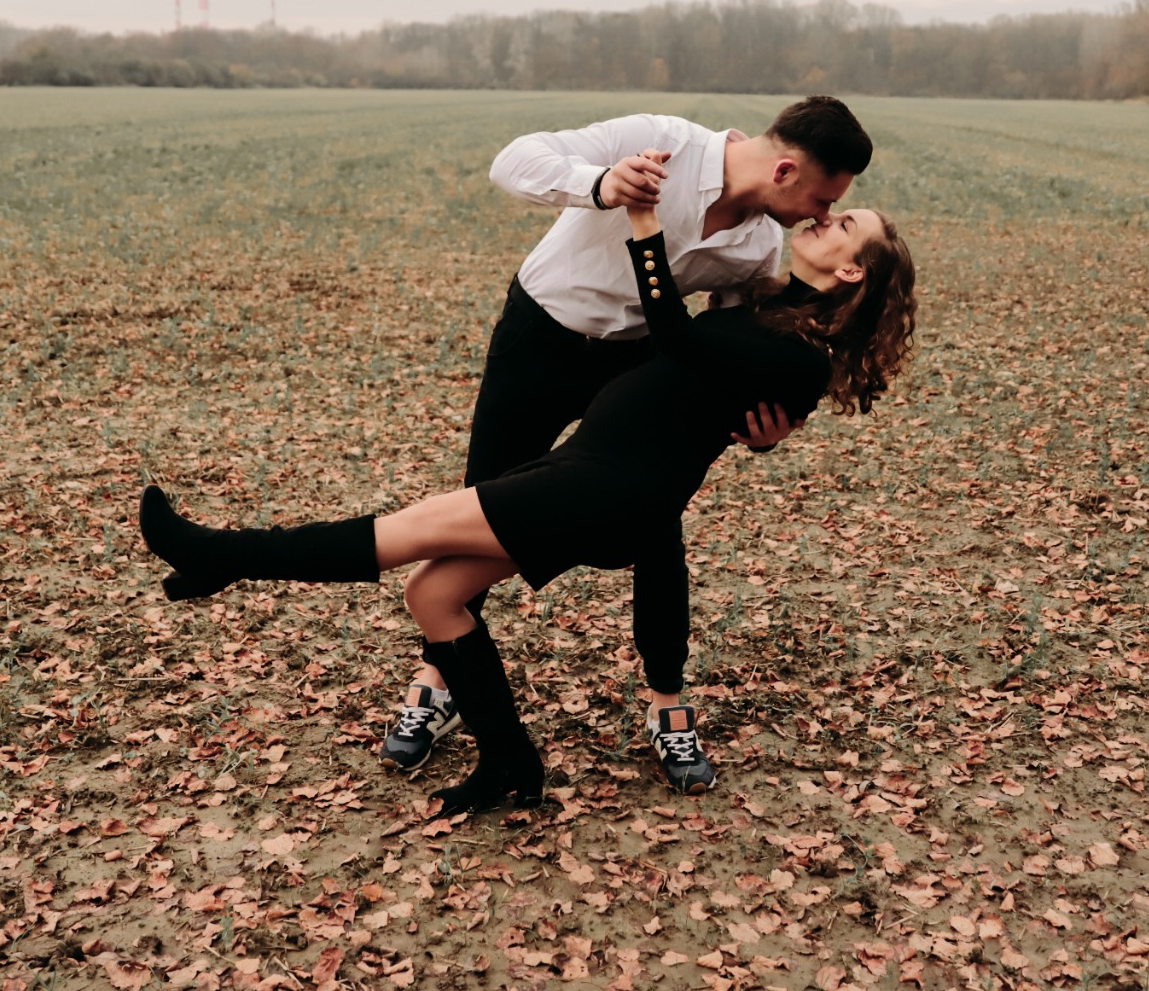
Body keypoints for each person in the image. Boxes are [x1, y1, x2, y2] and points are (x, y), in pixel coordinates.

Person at [138, 167, 916, 818]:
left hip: (609, 490)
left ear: (852, 270)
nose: (826, 217)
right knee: (435, 594)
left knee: (404, 532)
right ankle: (509, 763)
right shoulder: (764, 307)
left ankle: (217, 554)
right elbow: (715, 389)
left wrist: (643, 222)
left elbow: (674, 336)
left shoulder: (804, 354)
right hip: (590, 471)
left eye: (846, 222)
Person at [375, 98, 873, 794]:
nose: (819, 217)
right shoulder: (657, 140)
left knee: (657, 521)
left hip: (636, 364)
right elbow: (512, 160)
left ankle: (667, 703)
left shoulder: (757, 244)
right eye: (823, 199)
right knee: (483, 494)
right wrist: (602, 185)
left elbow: (723, 365)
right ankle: (438, 677)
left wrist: (767, 429)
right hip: (540, 337)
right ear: (786, 168)